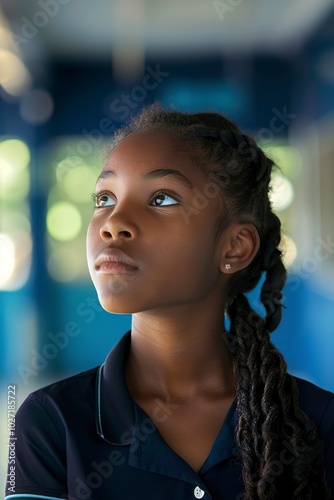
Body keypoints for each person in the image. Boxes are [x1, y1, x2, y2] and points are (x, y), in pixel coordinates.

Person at [5, 105, 334, 500]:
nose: (113, 222)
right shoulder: (50, 421)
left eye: (161, 199)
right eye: (104, 197)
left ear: (235, 246)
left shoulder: (314, 422)